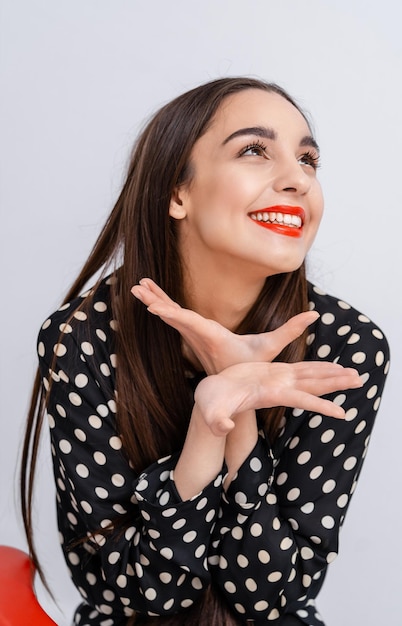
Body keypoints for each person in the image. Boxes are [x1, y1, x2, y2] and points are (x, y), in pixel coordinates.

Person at [21, 77, 389, 626]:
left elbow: (269, 598)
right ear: (177, 193)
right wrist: (206, 426)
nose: (298, 179)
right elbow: (133, 595)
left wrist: (239, 407)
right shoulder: (82, 339)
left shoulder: (348, 346)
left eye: (309, 160)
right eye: (254, 150)